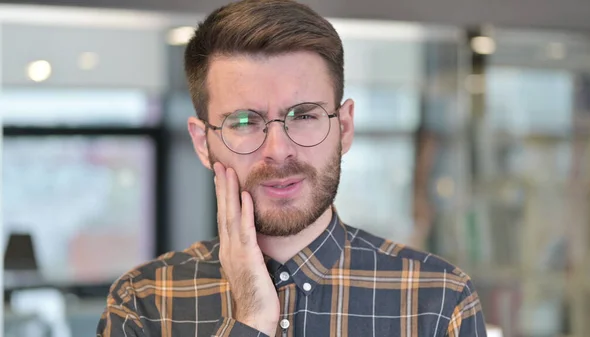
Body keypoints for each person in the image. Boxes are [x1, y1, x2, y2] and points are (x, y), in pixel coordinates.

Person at [97, 0, 487, 336]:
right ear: (203, 142)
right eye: (245, 122)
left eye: (303, 115)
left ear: (345, 127)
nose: (278, 150)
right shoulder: (143, 302)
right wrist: (249, 321)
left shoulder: (438, 301)